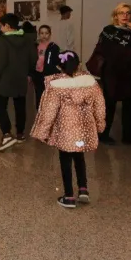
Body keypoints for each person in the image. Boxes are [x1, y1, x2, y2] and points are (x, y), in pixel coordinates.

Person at [30, 51, 106, 208]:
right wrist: (100, 124)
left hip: (65, 131)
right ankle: (83, 190)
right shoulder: (90, 82)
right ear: (79, 64)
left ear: (59, 67)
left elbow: (48, 111)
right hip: (84, 130)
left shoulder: (56, 86)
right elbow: (99, 106)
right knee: (79, 157)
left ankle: (69, 196)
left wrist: (42, 132)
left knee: (65, 160)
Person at [86, 2, 131, 145]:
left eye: (128, 13)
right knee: (109, 104)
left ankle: (128, 136)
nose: (125, 15)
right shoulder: (109, 30)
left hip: (129, 74)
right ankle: (103, 134)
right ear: (115, 16)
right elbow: (109, 51)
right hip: (112, 73)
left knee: (129, 106)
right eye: (121, 13)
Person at [0, 13, 37, 152]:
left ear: (7, 26)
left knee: (1, 106)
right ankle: (20, 134)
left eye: (1, 25)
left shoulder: (3, 41)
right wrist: (28, 73)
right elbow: (33, 59)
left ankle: (6, 134)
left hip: (5, 79)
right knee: (20, 106)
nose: (0, 27)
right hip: (20, 78)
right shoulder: (27, 39)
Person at [32, 25, 61, 110]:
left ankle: (49, 114)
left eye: (46, 33)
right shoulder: (35, 46)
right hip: (37, 75)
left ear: (50, 34)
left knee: (49, 96)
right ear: (39, 34)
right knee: (39, 95)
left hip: (48, 75)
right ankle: (40, 114)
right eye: (41, 33)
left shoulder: (54, 47)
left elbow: (56, 61)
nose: (44, 35)